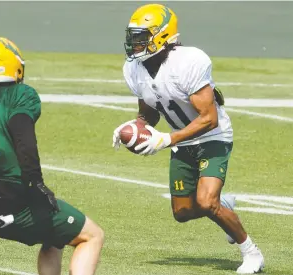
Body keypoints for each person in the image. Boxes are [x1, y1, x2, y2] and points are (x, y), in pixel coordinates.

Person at [112, 4, 264, 274]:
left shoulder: (188, 61)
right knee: (182, 212)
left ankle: (251, 253)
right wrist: (135, 125)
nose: (135, 43)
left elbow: (209, 118)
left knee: (206, 202)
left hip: (213, 136)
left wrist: (167, 139)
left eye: (141, 37)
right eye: (133, 37)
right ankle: (224, 204)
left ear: (161, 36)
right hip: (181, 142)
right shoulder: (134, 68)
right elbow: (148, 112)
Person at [0, 37, 104, 275]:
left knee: (56, 237)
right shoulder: (19, 94)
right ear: (14, 65)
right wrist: (36, 184)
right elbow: (24, 141)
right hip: (13, 199)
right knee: (92, 235)